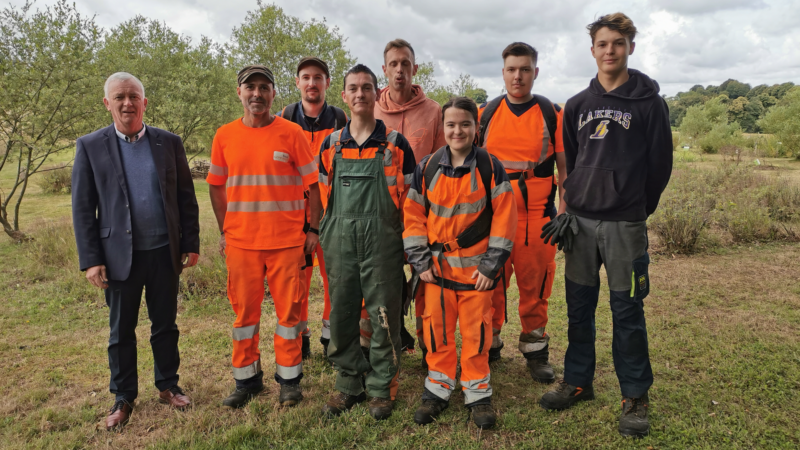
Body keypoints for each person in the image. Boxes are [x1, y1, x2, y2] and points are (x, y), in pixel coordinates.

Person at [538, 13, 673, 439]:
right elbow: (572, 162)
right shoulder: (576, 105)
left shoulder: (650, 104)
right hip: (580, 224)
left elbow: (660, 166)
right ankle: (578, 381)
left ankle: (635, 395)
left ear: (630, 47)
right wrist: (574, 201)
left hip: (624, 226)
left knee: (627, 311)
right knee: (578, 310)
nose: (610, 50)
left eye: (618, 42)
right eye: (602, 43)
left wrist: (636, 207)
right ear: (592, 49)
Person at [71, 72, 200, 430]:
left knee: (165, 325)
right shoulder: (90, 146)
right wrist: (91, 259)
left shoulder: (168, 143)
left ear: (144, 102)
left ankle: (168, 385)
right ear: (107, 103)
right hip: (117, 258)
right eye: (119, 97)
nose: (127, 103)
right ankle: (123, 396)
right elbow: (83, 208)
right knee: (120, 331)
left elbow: (186, 198)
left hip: (164, 252)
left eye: (133, 96)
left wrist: (190, 243)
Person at [207, 65, 322, 409]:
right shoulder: (224, 136)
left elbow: (312, 186)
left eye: (263, 87)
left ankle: (289, 382)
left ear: (274, 94)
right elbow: (215, 187)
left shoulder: (291, 133)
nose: (256, 93)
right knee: (244, 317)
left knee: (289, 317)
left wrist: (312, 229)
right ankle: (247, 381)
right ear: (239, 92)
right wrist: (225, 229)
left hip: (287, 243)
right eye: (250, 87)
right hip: (242, 244)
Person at [404, 97, 517, 429]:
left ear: (476, 129)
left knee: (477, 334)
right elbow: (412, 218)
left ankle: (477, 393)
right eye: (451, 124)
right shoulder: (426, 168)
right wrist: (420, 260)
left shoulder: (490, 168)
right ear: (443, 128)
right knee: (435, 332)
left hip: (476, 276)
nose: (458, 131)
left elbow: (504, 220)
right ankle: (437, 390)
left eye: (465, 124)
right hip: (436, 274)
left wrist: (491, 265)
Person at [317, 64, 416, 421]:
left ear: (378, 94)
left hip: (383, 244)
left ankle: (381, 388)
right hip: (340, 243)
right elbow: (323, 199)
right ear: (343, 96)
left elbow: (411, 201)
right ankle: (347, 384)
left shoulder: (396, 145)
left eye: (367, 87)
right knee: (342, 314)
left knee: (384, 316)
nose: (360, 94)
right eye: (353, 88)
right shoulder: (330, 145)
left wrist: (406, 242)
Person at [478, 42, 567, 384]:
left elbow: (565, 168)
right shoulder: (485, 113)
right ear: (503, 73)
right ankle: (490, 345)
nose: (518, 76)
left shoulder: (552, 113)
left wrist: (563, 212)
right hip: (494, 218)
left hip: (538, 219)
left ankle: (535, 350)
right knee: (491, 287)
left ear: (535, 72)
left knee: (536, 288)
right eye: (512, 69)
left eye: (525, 69)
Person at [375, 38, 447, 365]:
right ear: (384, 70)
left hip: (423, 216)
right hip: (381, 216)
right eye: (394, 64)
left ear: (415, 69)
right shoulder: (370, 111)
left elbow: (445, 166)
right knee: (385, 282)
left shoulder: (434, 112)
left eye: (406, 63)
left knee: (424, 281)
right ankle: (389, 345)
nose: (400, 70)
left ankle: (428, 349)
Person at [278, 56, 347, 359]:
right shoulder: (285, 117)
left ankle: (331, 338)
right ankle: (300, 337)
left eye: (318, 77)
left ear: (327, 83)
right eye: (305, 77)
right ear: (297, 83)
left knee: (334, 278)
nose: (311, 83)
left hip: (332, 214)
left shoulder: (340, 119)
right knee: (297, 280)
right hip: (296, 215)